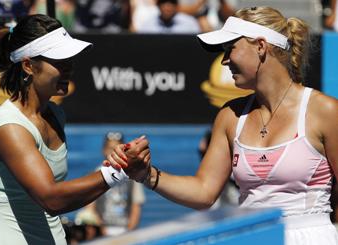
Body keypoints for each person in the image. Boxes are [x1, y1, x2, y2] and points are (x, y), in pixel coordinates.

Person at [106, 6, 338, 245]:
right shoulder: (229, 116)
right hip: (252, 238)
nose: (225, 60)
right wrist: (146, 174)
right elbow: (204, 192)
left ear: (260, 47)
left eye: (230, 49)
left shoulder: (325, 111)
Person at [0, 14, 149, 245]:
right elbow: (52, 200)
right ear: (28, 66)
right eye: (59, 60)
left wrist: (117, 165)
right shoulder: (10, 129)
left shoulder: (55, 115)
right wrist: (119, 170)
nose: (69, 67)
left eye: (69, 59)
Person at [75, 132, 145, 237]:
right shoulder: (94, 175)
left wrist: (128, 233)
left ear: (124, 151)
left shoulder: (133, 177)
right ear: (103, 150)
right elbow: (90, 208)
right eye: (109, 148)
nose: (112, 152)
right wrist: (102, 231)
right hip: (102, 233)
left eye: (117, 149)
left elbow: (136, 208)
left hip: (126, 232)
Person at [136, 0, 201, 34]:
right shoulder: (148, 25)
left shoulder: (190, 24)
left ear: (177, 6)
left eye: (172, 3)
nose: (167, 7)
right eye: (163, 3)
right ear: (158, 6)